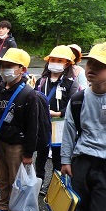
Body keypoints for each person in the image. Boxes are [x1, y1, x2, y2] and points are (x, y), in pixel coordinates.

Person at [61, 43, 106, 211]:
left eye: (99, 65)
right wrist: (65, 160)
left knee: (102, 209)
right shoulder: (78, 99)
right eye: (90, 63)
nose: (92, 68)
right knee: (81, 204)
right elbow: (69, 130)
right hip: (83, 160)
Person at [0, 48, 38, 211]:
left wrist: (29, 153)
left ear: (22, 69)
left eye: (10, 66)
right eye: (3, 66)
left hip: (18, 145)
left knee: (16, 181)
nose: (5, 70)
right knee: (3, 178)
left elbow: (33, 127)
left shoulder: (28, 94)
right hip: (1, 141)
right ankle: (3, 207)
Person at [34, 45, 79, 195]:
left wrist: (58, 113)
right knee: (40, 155)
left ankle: (55, 186)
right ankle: (38, 182)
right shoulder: (41, 81)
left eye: (60, 60)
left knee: (58, 158)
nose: (55, 63)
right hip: (42, 125)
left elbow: (74, 105)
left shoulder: (71, 83)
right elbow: (34, 100)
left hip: (60, 126)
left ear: (67, 64)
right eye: (53, 60)